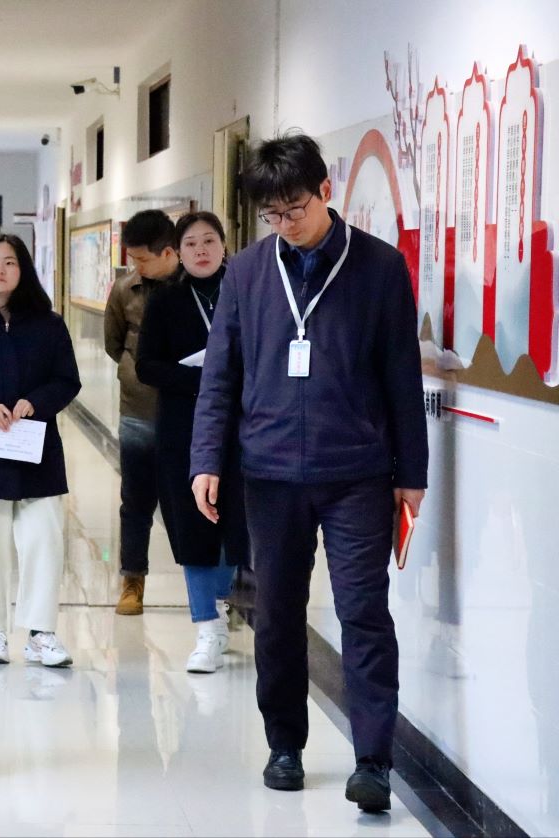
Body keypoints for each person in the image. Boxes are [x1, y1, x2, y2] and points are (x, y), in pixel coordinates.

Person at [190, 133, 428, 812]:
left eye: (294, 209)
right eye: (272, 215)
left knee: (363, 612)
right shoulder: (246, 273)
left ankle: (373, 761)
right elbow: (220, 376)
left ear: (326, 190)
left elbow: (401, 376)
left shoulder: (379, 267)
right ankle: (284, 745)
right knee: (276, 614)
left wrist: (411, 472)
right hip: (269, 473)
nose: (285, 224)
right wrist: (206, 459)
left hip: (357, 473)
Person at [0, 233, 81, 668]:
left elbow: (67, 380)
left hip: (36, 450)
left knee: (44, 543)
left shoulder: (48, 323)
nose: (0, 270)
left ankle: (41, 633)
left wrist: (35, 403)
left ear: (23, 269)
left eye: (9, 262)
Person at [135, 211, 247, 673]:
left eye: (209, 241)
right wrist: (202, 381)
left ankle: (218, 601)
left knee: (236, 524)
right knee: (192, 524)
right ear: (177, 253)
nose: (201, 250)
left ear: (224, 245)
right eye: (191, 243)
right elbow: (146, 366)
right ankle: (207, 626)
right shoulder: (165, 300)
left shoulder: (245, 291)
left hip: (242, 428)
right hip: (184, 427)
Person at [105, 210, 182, 615]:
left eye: (142, 259)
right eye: (132, 258)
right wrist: (137, 374)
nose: (136, 266)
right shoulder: (124, 291)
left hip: (187, 413)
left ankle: (214, 588)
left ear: (168, 252)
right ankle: (132, 580)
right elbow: (114, 343)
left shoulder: (192, 288)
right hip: (138, 411)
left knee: (193, 502)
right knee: (135, 502)